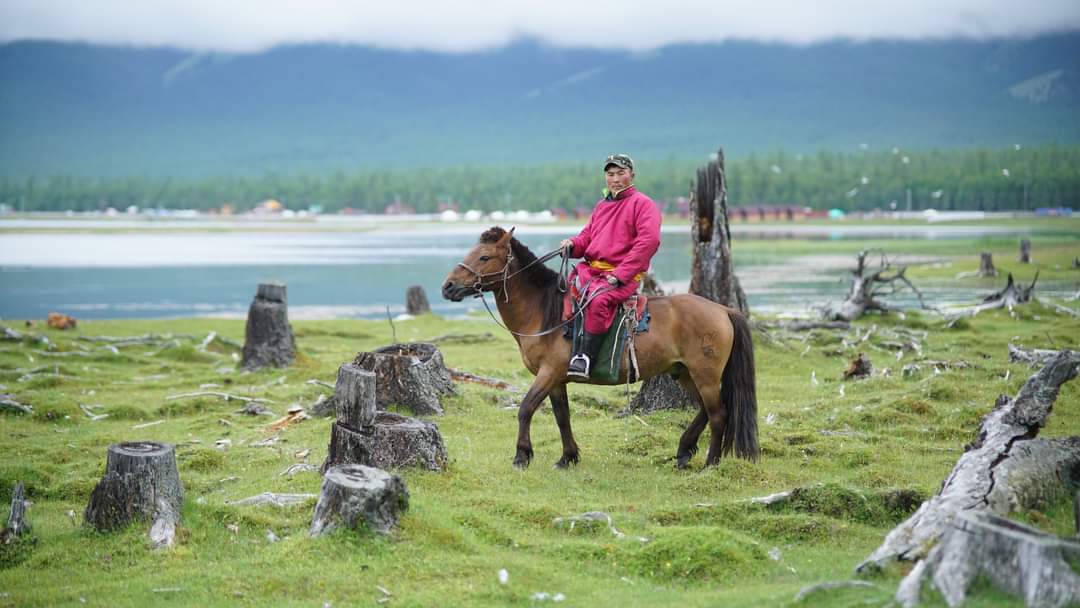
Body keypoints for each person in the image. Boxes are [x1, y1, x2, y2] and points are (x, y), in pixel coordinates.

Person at [559, 153, 661, 378]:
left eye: (620, 173)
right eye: (610, 174)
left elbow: (649, 241)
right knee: (563, 291)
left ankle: (585, 358)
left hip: (623, 276)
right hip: (592, 271)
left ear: (631, 175)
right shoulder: (601, 206)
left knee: (597, 301)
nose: (615, 179)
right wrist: (572, 245)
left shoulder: (643, 204)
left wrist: (622, 274)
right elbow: (586, 237)